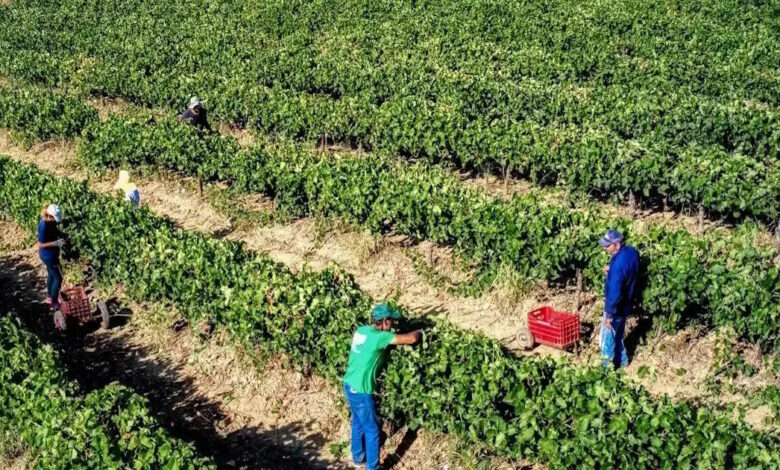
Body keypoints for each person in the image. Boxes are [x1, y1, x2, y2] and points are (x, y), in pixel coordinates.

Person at [343, 303, 421, 470]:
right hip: (362, 391)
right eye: (391, 321)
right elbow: (411, 339)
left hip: (349, 385)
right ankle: (373, 467)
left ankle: (357, 457)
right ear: (385, 321)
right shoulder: (380, 338)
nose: (392, 324)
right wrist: (420, 331)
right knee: (372, 431)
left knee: (358, 422)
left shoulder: (361, 330)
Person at [599, 229, 639, 369]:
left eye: (607, 245)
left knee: (607, 340)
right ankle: (622, 362)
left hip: (615, 307)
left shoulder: (617, 266)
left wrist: (609, 314)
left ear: (617, 245)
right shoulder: (632, 253)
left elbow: (615, 293)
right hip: (626, 304)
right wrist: (612, 271)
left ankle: (607, 370)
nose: (605, 248)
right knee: (619, 334)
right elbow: (626, 272)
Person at [37, 204, 65, 311]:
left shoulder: (50, 222)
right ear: (49, 216)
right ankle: (53, 302)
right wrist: (56, 243)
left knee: (51, 274)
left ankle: (49, 297)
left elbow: (55, 231)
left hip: (49, 255)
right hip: (49, 256)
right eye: (54, 218)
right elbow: (40, 244)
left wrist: (63, 234)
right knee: (58, 277)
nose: (55, 221)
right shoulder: (43, 226)